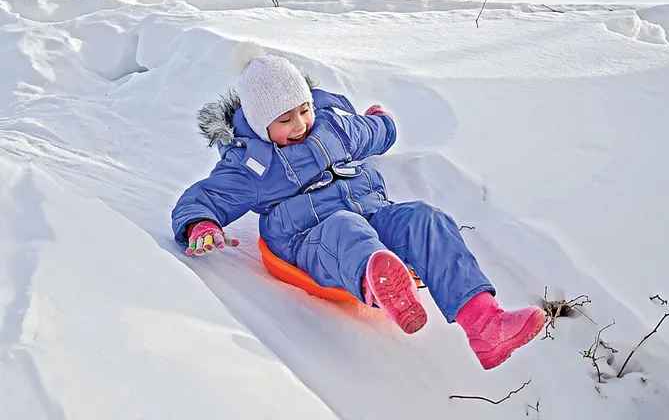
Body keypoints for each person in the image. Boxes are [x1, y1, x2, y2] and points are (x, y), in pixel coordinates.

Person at [171, 42, 545, 370]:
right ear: (258, 124)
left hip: (374, 212)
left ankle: (485, 324)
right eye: (284, 120)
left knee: (425, 219)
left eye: (304, 110)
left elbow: (376, 134)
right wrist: (200, 225)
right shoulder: (252, 164)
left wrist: (383, 122)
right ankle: (383, 286)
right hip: (310, 237)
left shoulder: (334, 127)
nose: (300, 124)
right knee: (346, 230)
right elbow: (204, 198)